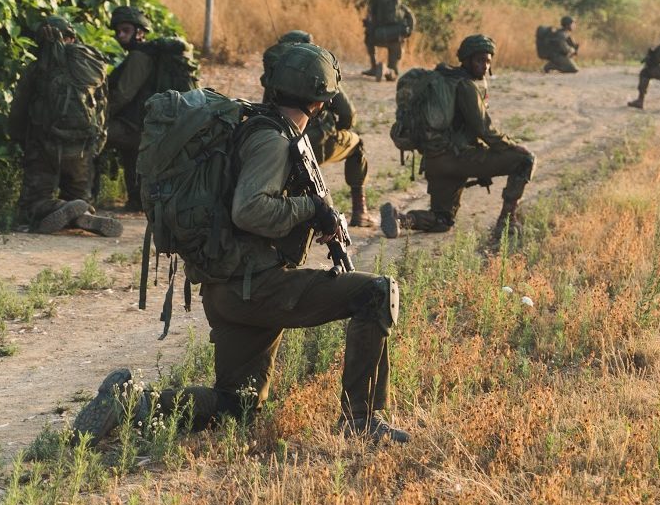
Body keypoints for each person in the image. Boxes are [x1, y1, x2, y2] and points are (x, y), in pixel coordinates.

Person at [72, 43, 409, 444]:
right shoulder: (272, 140)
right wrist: (308, 209)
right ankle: (362, 421)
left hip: (231, 288)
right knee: (376, 291)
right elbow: (248, 210)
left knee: (237, 406)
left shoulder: (256, 124)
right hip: (255, 286)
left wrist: (312, 215)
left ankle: (130, 405)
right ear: (321, 101)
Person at [380, 34, 536, 241]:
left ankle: (399, 218)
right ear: (467, 60)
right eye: (480, 60)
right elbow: (484, 130)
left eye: (488, 61)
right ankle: (507, 222)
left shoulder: (444, 79)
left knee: (441, 221)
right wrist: (513, 146)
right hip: (458, 159)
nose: (485, 66)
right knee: (525, 160)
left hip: (435, 162)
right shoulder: (466, 86)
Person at [8, 16, 122, 237]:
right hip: (82, 147)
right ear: (72, 37)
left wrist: (22, 140)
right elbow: (103, 109)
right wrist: (96, 145)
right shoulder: (92, 67)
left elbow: (18, 112)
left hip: (44, 144)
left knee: (32, 205)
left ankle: (58, 208)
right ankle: (82, 213)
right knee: (79, 197)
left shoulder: (38, 69)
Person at [262, 31, 374, 228]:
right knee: (357, 145)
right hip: (318, 142)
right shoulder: (318, 70)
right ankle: (360, 211)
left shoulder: (276, 74)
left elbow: (266, 110)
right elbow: (348, 113)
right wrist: (337, 130)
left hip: (281, 142)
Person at [105, 5, 155, 210]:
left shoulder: (139, 57)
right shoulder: (138, 55)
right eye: (118, 31)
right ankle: (136, 200)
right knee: (131, 158)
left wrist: (100, 116)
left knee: (92, 135)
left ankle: (80, 195)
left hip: (136, 126)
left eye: (125, 30)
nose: (120, 35)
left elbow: (123, 95)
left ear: (140, 32)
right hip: (137, 124)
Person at [362, 0, 413, 82]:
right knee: (394, 71)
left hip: (377, 37)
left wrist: (370, 33)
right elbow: (411, 19)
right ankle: (388, 70)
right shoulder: (401, 7)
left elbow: (369, 21)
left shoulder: (375, 6)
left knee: (368, 38)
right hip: (395, 39)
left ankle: (374, 66)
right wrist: (407, 32)